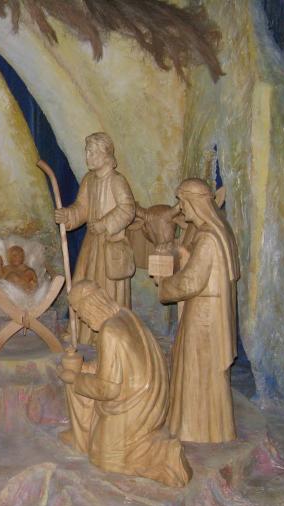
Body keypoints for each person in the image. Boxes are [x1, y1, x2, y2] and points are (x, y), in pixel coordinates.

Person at [56, 281, 191, 487]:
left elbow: (107, 388)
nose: (81, 318)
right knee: (82, 383)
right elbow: (117, 365)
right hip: (151, 400)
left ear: (91, 306)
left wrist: (75, 379)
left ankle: (163, 454)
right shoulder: (124, 315)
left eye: (80, 312)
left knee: (104, 457)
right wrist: (85, 369)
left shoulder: (109, 331)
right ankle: (82, 436)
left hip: (135, 407)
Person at [156, 178, 240, 443]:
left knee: (197, 367)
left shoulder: (207, 237)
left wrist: (164, 284)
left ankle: (197, 429)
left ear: (194, 203)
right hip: (211, 311)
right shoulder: (219, 230)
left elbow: (191, 282)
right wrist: (183, 253)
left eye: (183, 202)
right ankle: (212, 428)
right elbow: (203, 265)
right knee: (204, 370)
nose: (181, 208)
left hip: (204, 315)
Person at [55, 132, 136, 345]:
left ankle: (108, 334)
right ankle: (81, 330)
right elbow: (82, 208)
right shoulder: (89, 180)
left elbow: (128, 209)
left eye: (92, 152)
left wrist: (104, 223)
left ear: (105, 154)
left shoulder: (117, 180)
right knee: (81, 283)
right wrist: (68, 215)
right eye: (87, 152)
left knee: (105, 289)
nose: (88, 157)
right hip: (91, 244)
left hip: (109, 245)